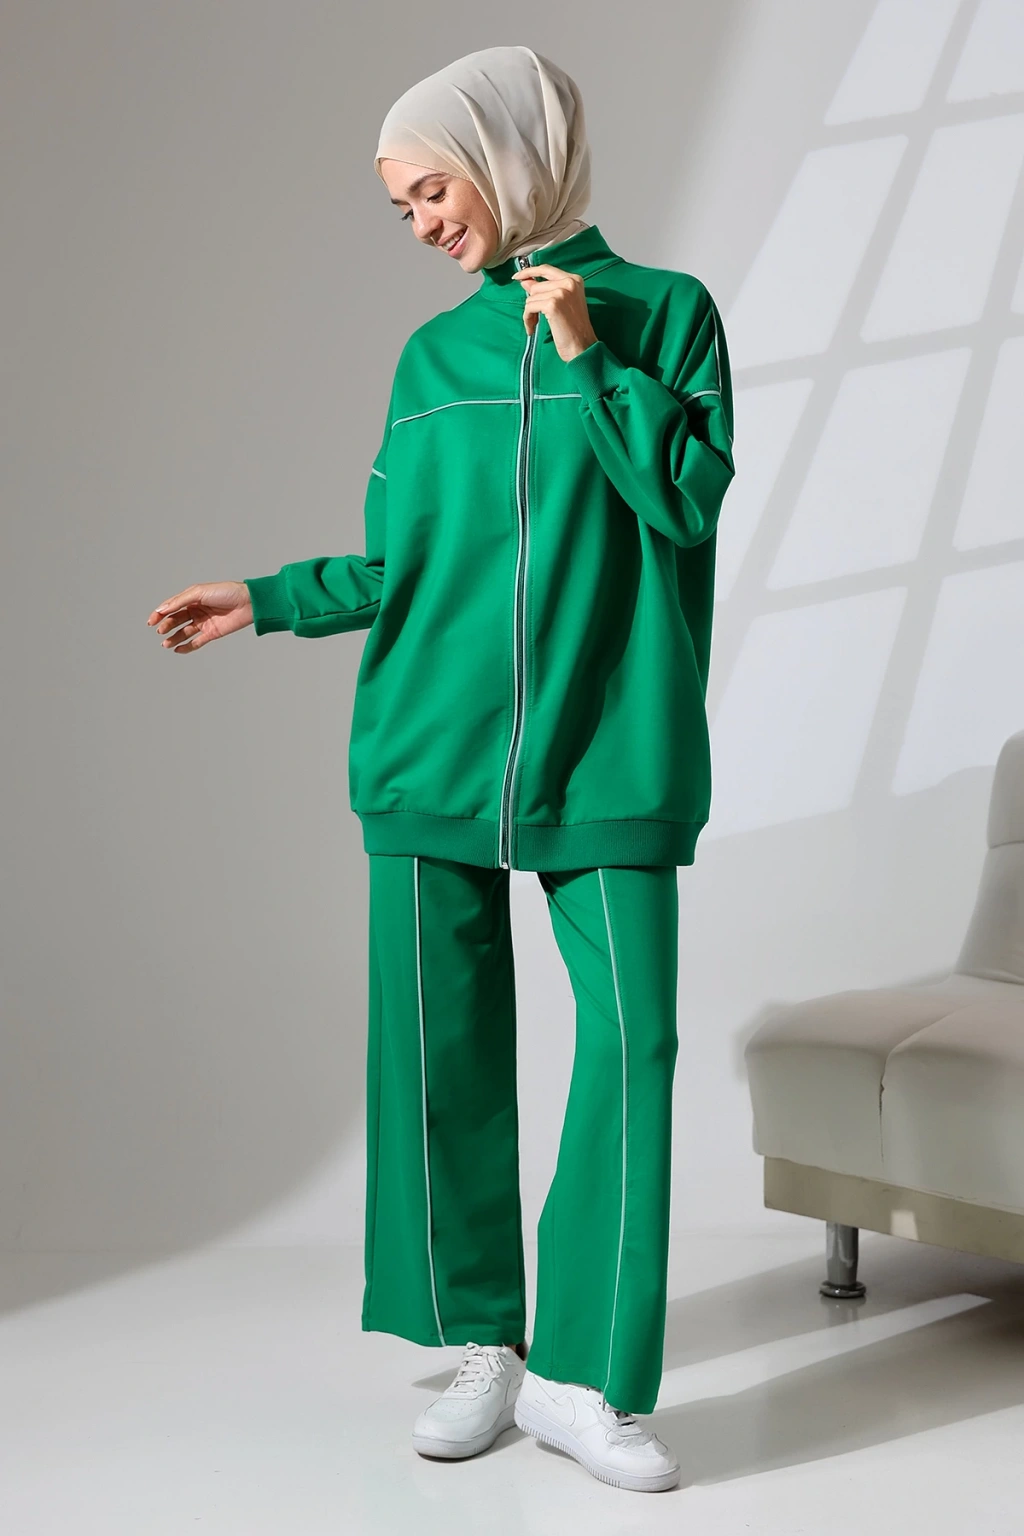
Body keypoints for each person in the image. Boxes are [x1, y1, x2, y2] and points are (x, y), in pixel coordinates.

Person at [146, 44, 734, 1495]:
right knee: (442, 1055)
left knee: (635, 1041)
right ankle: (488, 1343)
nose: (419, 224)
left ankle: (586, 1378)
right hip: (429, 748)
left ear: (507, 157)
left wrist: (588, 353)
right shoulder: (430, 358)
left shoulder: (666, 314)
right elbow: (399, 563)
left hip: (611, 745)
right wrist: (264, 599)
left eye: (431, 190)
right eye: (401, 206)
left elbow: (683, 501)